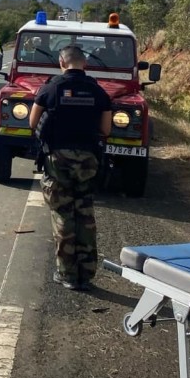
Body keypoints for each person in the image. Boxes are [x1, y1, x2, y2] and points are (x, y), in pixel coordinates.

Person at [28, 45, 112, 291]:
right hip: (88, 160)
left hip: (58, 159)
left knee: (63, 213)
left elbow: (33, 122)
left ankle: (67, 274)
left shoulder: (50, 89)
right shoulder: (98, 92)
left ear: (62, 63)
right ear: (85, 64)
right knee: (84, 213)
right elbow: (106, 130)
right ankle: (86, 274)